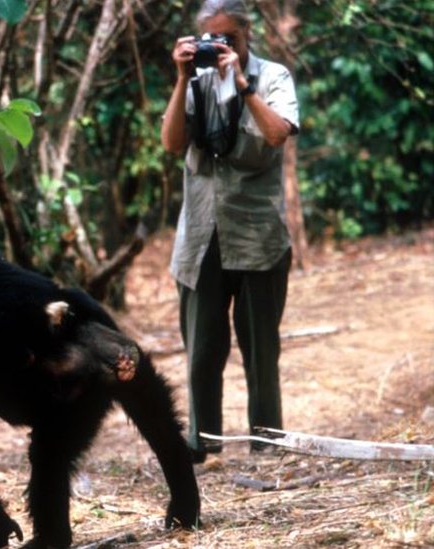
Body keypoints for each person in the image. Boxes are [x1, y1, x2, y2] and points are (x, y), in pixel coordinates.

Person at [160, 0, 300, 463]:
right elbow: (172, 142)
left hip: (258, 235)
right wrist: (183, 78)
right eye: (211, 39)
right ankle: (204, 446)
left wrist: (244, 87)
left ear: (247, 37)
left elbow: (278, 133)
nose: (221, 48)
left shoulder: (273, 76)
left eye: (230, 39)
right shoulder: (195, 79)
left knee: (261, 351)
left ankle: (267, 442)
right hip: (201, 234)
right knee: (202, 351)